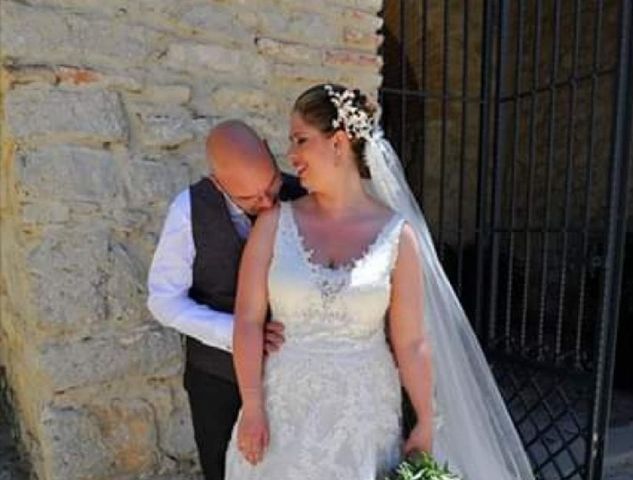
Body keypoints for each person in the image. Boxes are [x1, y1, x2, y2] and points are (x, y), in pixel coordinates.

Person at [224, 85, 536, 480]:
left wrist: (425, 419)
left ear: (338, 143)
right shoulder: (273, 224)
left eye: (301, 140)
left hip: (364, 417)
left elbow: (411, 341)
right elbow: (248, 320)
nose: (292, 156)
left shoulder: (397, 236)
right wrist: (252, 407)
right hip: (281, 413)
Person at [147, 120, 305, 480]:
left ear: (267, 147)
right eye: (249, 198)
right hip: (217, 378)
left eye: (271, 188)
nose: (267, 204)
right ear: (218, 182)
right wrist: (234, 332)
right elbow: (163, 300)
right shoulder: (188, 209)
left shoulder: (304, 196)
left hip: (294, 373)